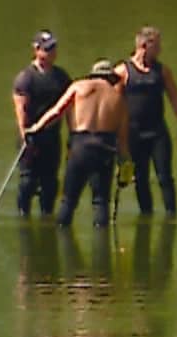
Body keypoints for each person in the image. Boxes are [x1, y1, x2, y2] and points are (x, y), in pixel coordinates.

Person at [28, 59, 130, 227]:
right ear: (111, 78)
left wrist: (36, 128)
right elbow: (123, 141)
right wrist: (125, 166)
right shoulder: (119, 99)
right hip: (105, 148)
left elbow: (56, 111)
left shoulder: (78, 86)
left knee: (68, 199)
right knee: (101, 201)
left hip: (80, 146)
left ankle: (61, 231)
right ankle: (102, 245)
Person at [113, 26, 177, 217]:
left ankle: (171, 214)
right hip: (133, 132)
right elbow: (113, 104)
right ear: (143, 45)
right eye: (156, 46)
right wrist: (114, 135)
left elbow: (175, 98)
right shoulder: (122, 71)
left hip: (157, 132)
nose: (159, 51)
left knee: (165, 176)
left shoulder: (162, 71)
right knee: (140, 178)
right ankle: (146, 215)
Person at [11, 30, 73, 219]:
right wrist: (24, 136)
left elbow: (69, 107)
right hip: (31, 136)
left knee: (50, 183)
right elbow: (20, 110)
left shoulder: (61, 77)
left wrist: (73, 134)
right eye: (47, 49)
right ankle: (24, 215)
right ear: (36, 50)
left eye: (53, 49)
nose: (51, 53)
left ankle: (47, 216)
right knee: (28, 181)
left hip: (52, 136)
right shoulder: (26, 78)